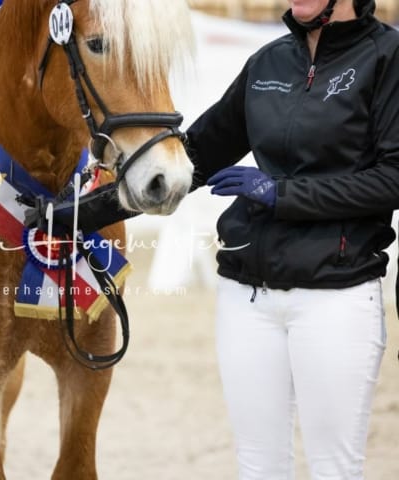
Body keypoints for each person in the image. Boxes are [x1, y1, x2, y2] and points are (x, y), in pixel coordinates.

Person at [185, 0, 399, 478]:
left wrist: (280, 194)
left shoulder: (388, 57)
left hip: (335, 295)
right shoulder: (267, 62)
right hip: (246, 296)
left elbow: (393, 178)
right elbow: (194, 156)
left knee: (333, 470)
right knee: (258, 467)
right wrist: (81, 208)